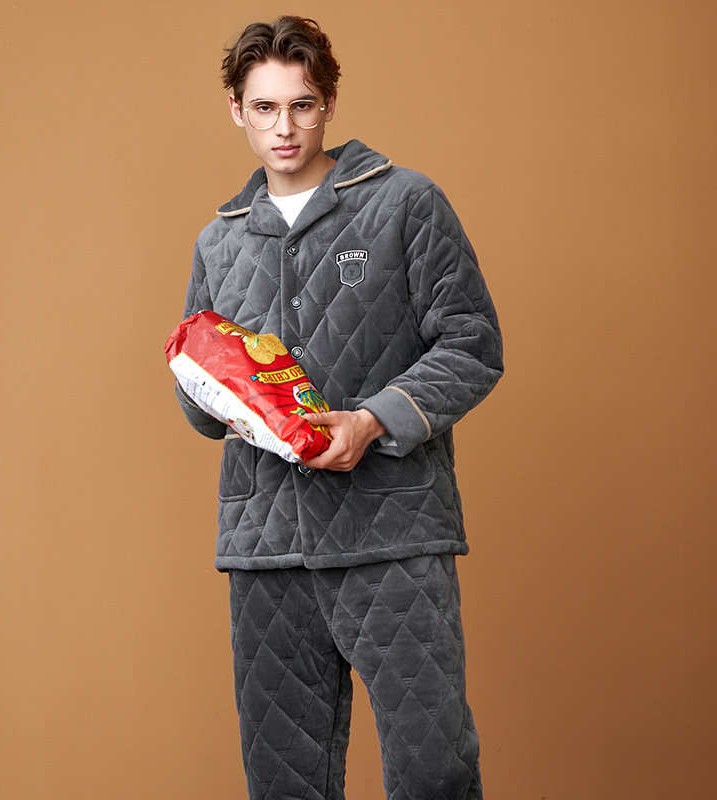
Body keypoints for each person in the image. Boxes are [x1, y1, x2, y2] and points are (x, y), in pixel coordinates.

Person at [174, 15, 503, 800]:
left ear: (328, 103)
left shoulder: (404, 203)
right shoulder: (219, 242)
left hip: (392, 531)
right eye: (264, 107)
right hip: (267, 548)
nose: (284, 128)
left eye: (302, 105)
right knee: (283, 782)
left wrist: (373, 420)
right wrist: (208, 386)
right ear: (236, 109)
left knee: (433, 770)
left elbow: (473, 343)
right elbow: (200, 409)